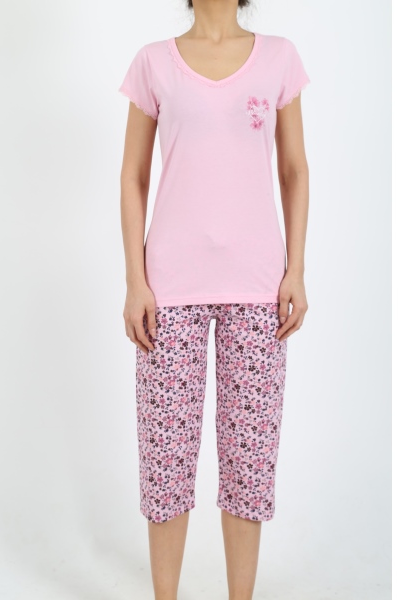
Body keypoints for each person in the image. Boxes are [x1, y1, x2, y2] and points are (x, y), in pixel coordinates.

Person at [118, 1, 310, 598]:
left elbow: (295, 171)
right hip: (168, 292)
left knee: (250, 464)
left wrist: (297, 270)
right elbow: (132, 176)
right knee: (166, 460)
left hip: (257, 290)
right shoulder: (154, 63)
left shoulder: (279, 58)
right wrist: (135, 280)